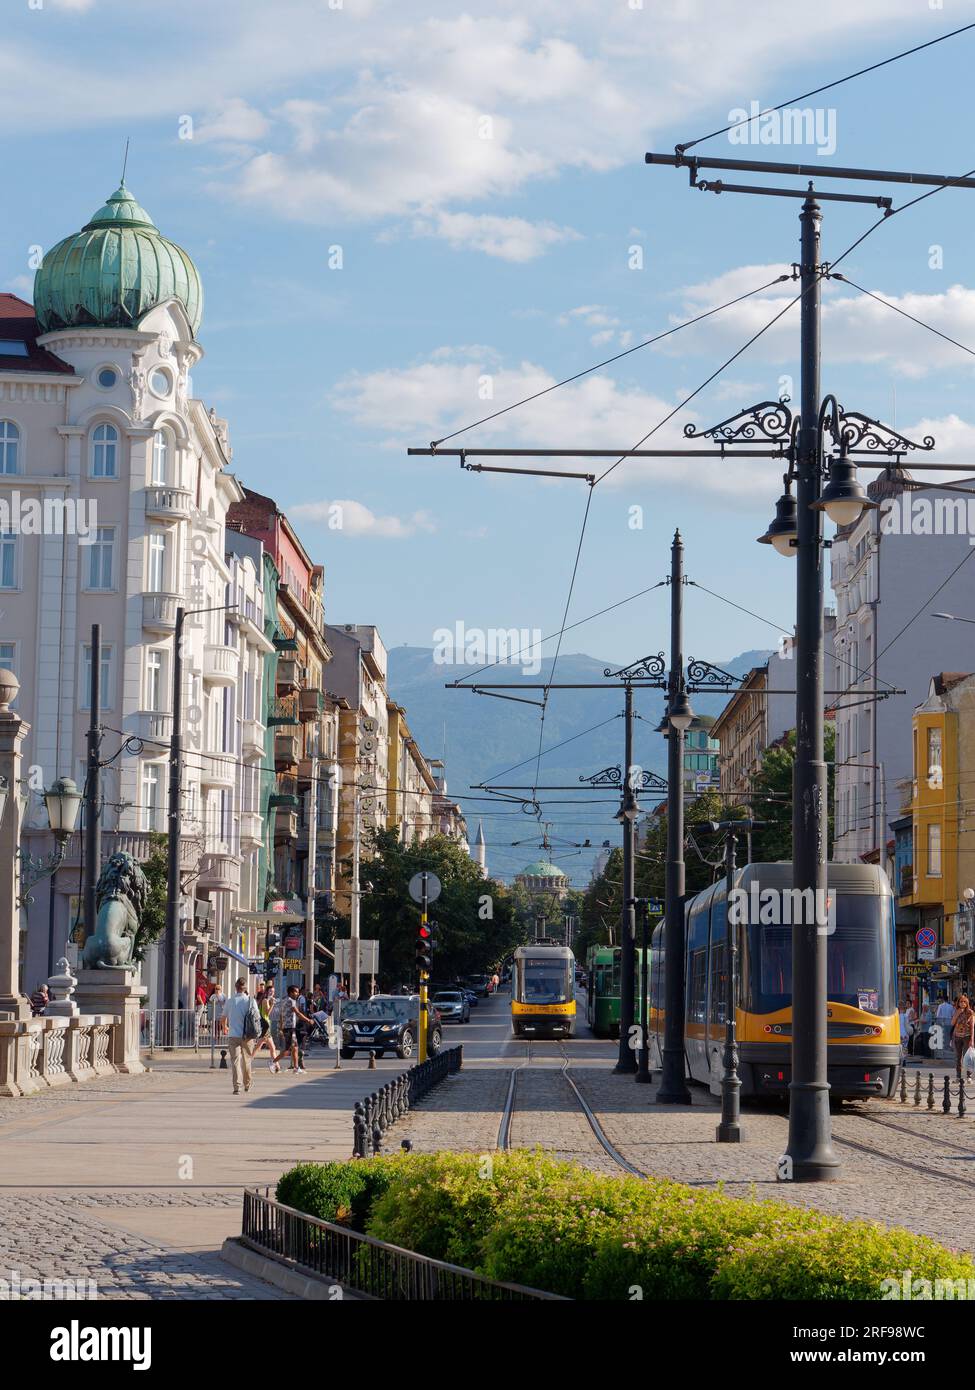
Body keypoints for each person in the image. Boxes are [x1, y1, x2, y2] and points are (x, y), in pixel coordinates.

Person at [223, 978, 261, 1095]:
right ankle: (247, 1084)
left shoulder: (230, 1001)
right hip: (247, 1035)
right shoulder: (250, 1001)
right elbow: (257, 1017)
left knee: (235, 1061)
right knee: (247, 1060)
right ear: (245, 988)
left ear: (236, 987)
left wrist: (225, 1027)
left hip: (233, 1035)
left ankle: (236, 1087)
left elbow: (223, 1017)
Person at [280, 985, 313, 1073]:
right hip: (289, 1027)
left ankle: (296, 1068)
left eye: (298, 992)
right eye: (296, 992)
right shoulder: (291, 1001)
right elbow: (298, 1013)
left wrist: (281, 1026)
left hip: (289, 1027)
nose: (297, 994)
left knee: (295, 1048)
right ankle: (273, 1062)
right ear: (291, 992)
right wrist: (308, 1020)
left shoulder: (284, 1000)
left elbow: (282, 1014)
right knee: (288, 1050)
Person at [253, 986, 282, 1073]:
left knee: (265, 1047)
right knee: (263, 1047)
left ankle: (276, 1065)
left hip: (265, 1026)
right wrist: (272, 1004)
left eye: (273, 991)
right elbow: (267, 1013)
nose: (272, 993)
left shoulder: (265, 1000)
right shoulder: (265, 1001)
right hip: (265, 1026)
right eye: (270, 991)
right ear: (267, 992)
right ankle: (274, 1065)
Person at [951, 994, 975, 1081]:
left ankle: (969, 1076)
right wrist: (957, 1013)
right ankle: (958, 1076)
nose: (963, 1003)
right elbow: (952, 1023)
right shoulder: (956, 1011)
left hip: (967, 1037)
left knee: (967, 1057)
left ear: (967, 1003)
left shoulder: (970, 1012)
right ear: (958, 1003)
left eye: (965, 1002)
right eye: (961, 1002)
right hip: (957, 1037)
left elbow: (972, 1026)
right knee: (958, 1057)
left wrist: (972, 1039)